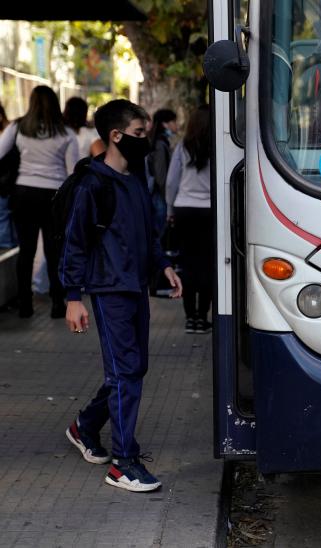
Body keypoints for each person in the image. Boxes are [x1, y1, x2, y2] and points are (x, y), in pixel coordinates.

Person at [60, 99, 182, 492]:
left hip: (135, 287)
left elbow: (146, 231)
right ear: (116, 136)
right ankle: (123, 463)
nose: (145, 140)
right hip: (109, 289)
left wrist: (162, 264)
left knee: (133, 368)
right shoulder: (92, 183)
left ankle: (86, 425)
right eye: (139, 133)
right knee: (125, 371)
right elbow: (74, 242)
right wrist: (72, 297)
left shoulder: (135, 178)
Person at [0, 86, 77, 318]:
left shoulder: (18, 127)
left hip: (24, 193)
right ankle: (57, 303)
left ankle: (25, 304)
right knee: (54, 251)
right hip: (54, 195)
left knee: (26, 250)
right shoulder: (66, 132)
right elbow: (73, 170)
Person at [166, 105, 212, 334]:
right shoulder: (219, 147)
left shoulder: (183, 147)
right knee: (207, 266)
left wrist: (169, 209)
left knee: (186, 264)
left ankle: (190, 318)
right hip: (209, 212)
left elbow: (171, 182)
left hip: (184, 209)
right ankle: (203, 317)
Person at [147, 108, 177, 238]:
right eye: (174, 121)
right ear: (165, 124)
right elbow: (161, 176)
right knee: (159, 234)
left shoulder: (159, 142)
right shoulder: (160, 144)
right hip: (160, 197)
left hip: (158, 195)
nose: (176, 125)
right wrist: (168, 199)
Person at [0, 104, 16, 249]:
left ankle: (8, 249)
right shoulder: (12, 128)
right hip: (10, 182)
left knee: (4, 216)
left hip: (6, 183)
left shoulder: (10, 130)